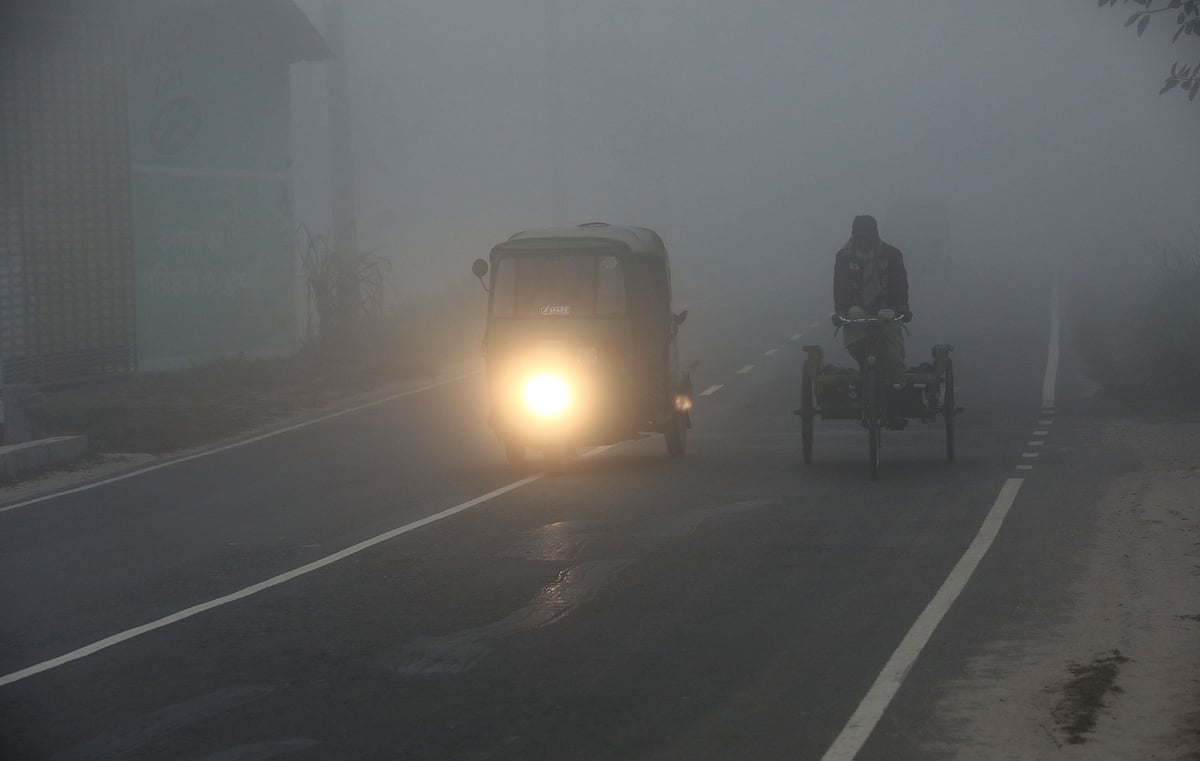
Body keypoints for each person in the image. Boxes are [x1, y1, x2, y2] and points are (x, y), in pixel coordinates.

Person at [832, 214, 912, 387]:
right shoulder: (844, 257)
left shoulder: (892, 254)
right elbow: (841, 287)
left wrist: (902, 306)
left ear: (875, 235)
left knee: (892, 342)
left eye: (868, 237)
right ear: (854, 236)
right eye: (860, 237)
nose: (864, 241)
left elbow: (900, 283)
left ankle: (897, 380)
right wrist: (840, 311)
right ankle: (862, 357)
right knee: (853, 314)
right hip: (858, 308)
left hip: (886, 308)